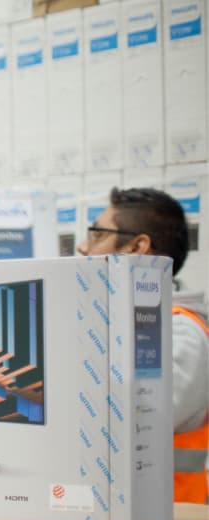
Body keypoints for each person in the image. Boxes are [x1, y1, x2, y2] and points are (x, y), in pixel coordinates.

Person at [78, 187, 209, 503]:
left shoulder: (182, 332)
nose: (82, 247)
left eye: (96, 235)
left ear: (137, 246)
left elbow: (135, 417)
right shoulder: (111, 321)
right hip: (115, 511)